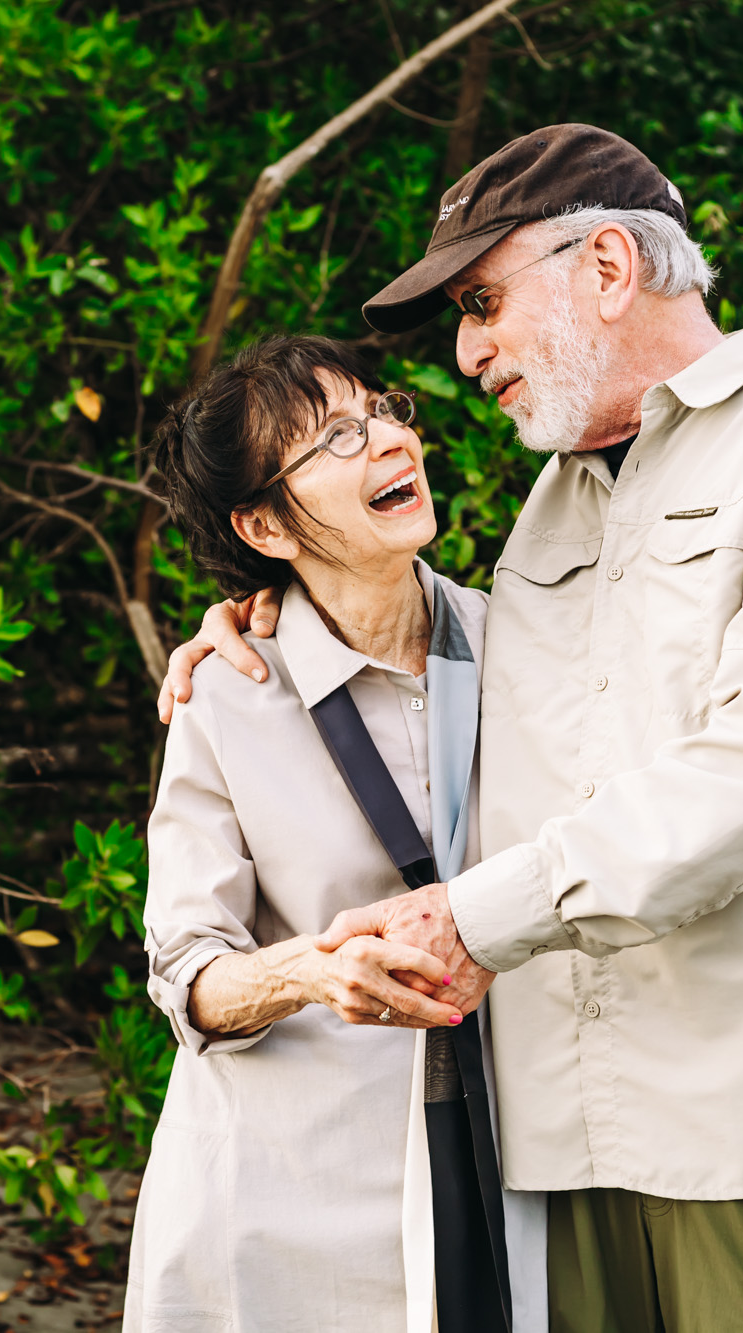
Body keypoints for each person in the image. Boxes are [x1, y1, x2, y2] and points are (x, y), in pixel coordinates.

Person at [156, 125, 743, 1332]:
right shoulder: (550, 515)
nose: (466, 353)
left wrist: (468, 919)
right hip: (575, 1169)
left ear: (607, 267)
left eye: (482, 302)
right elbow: (502, 732)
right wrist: (268, 618)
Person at [126, 336, 547, 1333]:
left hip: (517, 1166)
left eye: (384, 411)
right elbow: (187, 971)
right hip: (290, 1200)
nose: (388, 440)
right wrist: (313, 973)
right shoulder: (226, 690)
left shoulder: (529, 645)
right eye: (333, 437)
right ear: (264, 523)